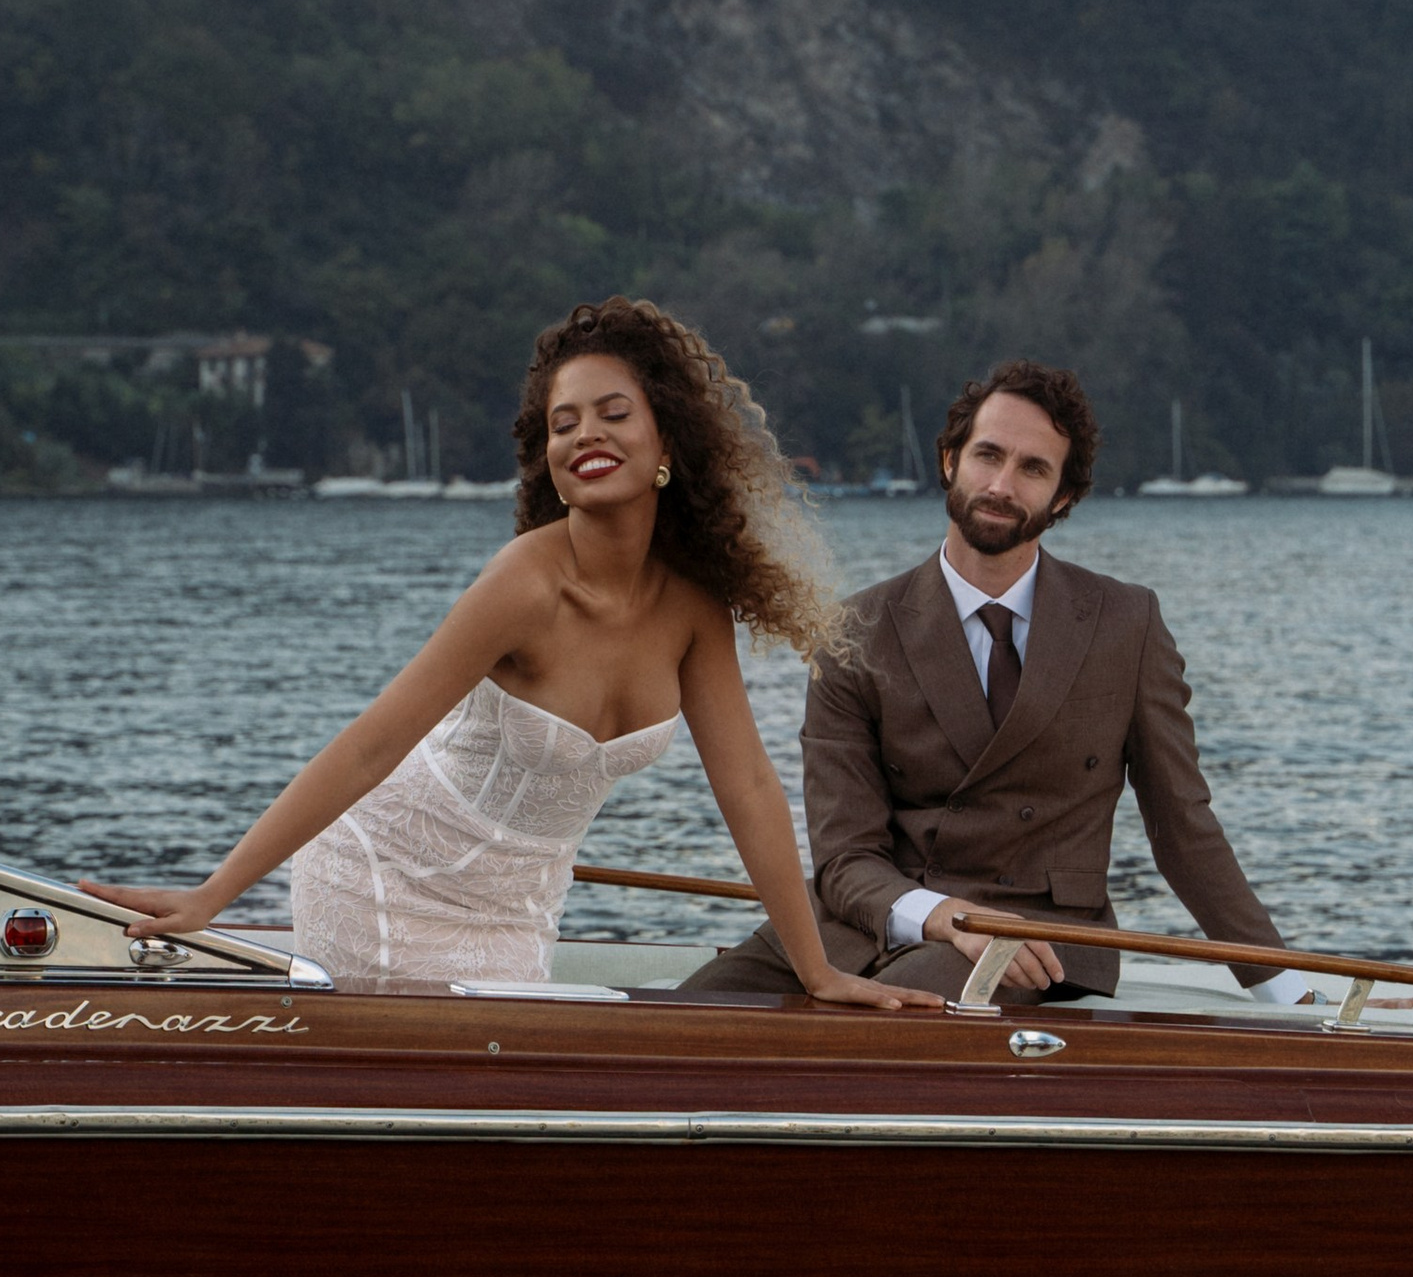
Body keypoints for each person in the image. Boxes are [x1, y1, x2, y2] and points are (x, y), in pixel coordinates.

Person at [81, 299, 939, 1013]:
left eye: (613, 413)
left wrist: (817, 972)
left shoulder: (691, 608)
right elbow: (374, 744)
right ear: (550, 463)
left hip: (520, 913)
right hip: (385, 875)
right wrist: (215, 894)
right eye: (564, 424)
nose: (586, 434)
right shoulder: (523, 584)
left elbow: (747, 786)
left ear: (667, 444)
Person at [677, 357, 1316, 1006]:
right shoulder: (856, 632)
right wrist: (937, 914)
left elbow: (1182, 826)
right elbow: (843, 858)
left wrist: (1286, 991)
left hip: (1036, 940)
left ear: (1063, 496)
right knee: (681, 1017)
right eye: (988, 455)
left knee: (892, 1019)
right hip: (864, 923)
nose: (1002, 484)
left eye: (1033, 468)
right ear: (950, 460)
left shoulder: (1126, 624)